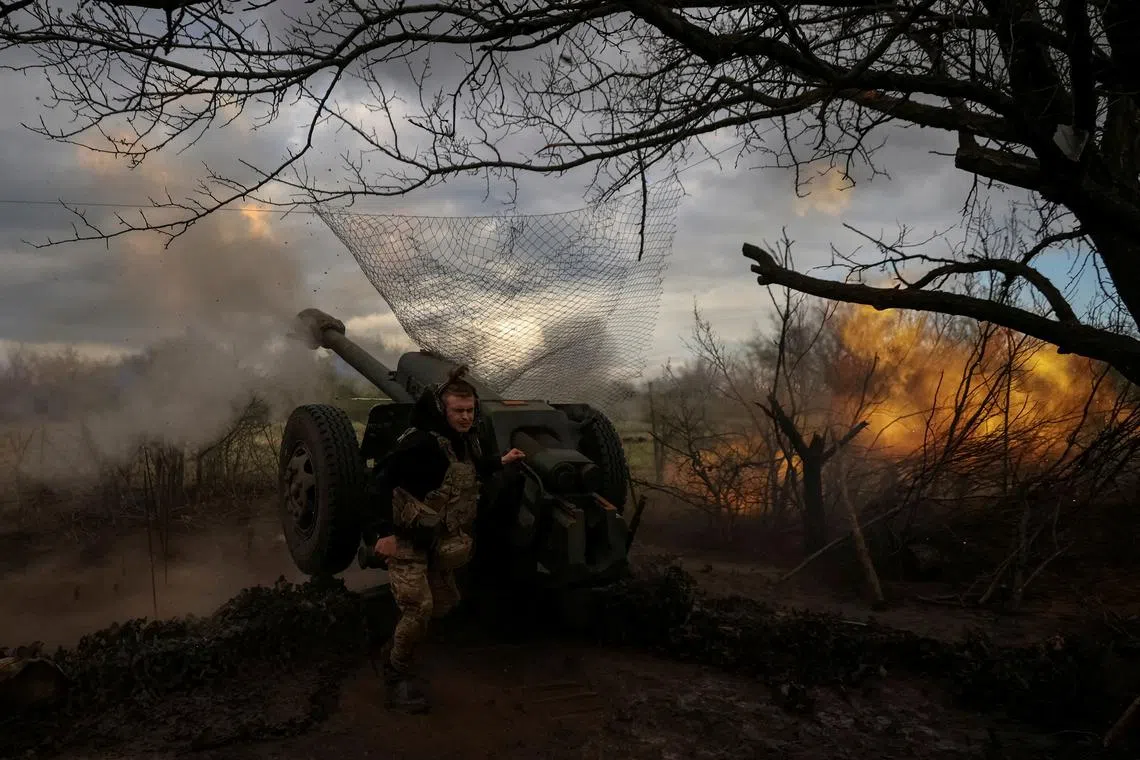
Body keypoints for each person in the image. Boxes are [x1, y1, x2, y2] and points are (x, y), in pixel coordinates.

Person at [361, 365, 525, 713]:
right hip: (405, 540)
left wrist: (502, 461)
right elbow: (378, 483)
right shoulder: (420, 443)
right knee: (418, 609)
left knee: (446, 602)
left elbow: (469, 470)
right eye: (458, 411)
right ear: (442, 410)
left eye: (470, 411)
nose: (465, 417)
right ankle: (395, 675)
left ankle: (391, 643)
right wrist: (383, 534)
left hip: (435, 538)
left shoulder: (462, 441)